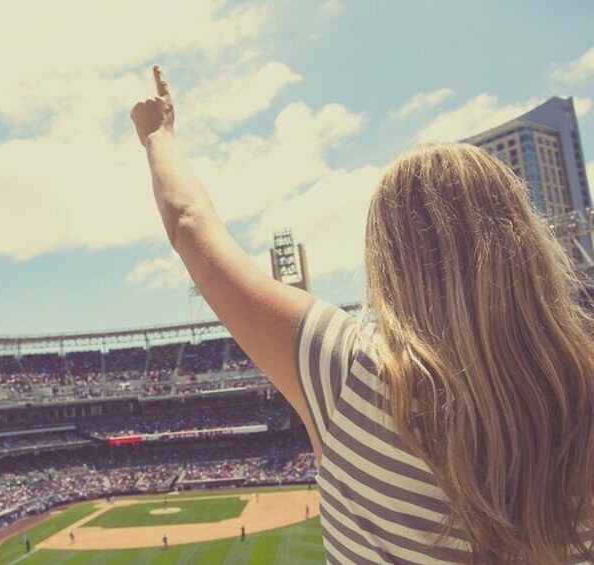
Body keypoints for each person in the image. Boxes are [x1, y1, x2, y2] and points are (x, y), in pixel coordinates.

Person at [131, 65, 594, 564]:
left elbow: (189, 222)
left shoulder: (350, 371)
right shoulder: (582, 387)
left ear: (387, 257)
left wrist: (159, 137)